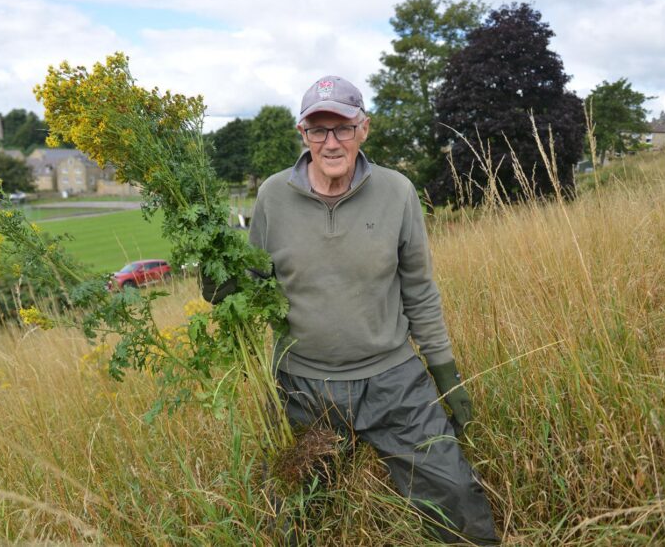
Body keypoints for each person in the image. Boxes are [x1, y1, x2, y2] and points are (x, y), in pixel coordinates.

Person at [206, 76, 499, 544]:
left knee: (456, 494)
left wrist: (445, 371)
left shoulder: (397, 192)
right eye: (318, 129)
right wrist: (221, 282)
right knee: (293, 514)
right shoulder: (272, 196)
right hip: (302, 389)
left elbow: (419, 289)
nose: (331, 141)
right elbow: (254, 281)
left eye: (342, 127)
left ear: (363, 129)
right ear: (303, 135)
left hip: (394, 382)